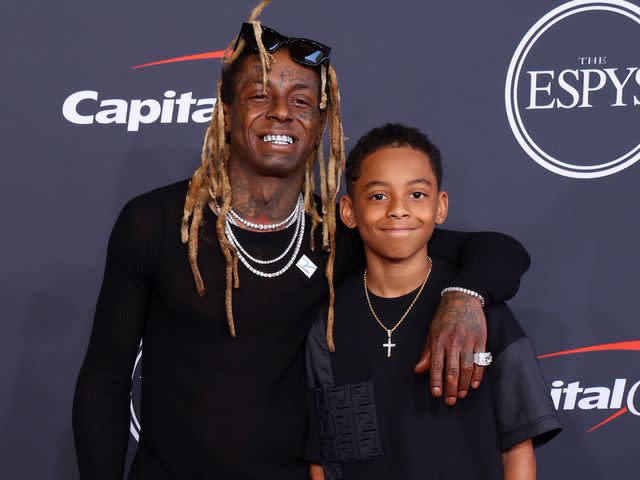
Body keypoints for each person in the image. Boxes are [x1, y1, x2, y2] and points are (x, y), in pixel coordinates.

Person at [72, 2, 531, 479]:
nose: (281, 113)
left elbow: (499, 251)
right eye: (259, 96)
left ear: (318, 125)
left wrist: (463, 298)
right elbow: (104, 381)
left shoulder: (338, 232)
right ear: (227, 113)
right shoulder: (157, 223)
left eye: (301, 101)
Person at [305, 123, 561, 480]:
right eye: (379, 196)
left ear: (440, 207)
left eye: (417, 195)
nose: (399, 210)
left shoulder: (478, 309)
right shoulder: (329, 322)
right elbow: (327, 456)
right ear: (348, 211)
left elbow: (517, 446)